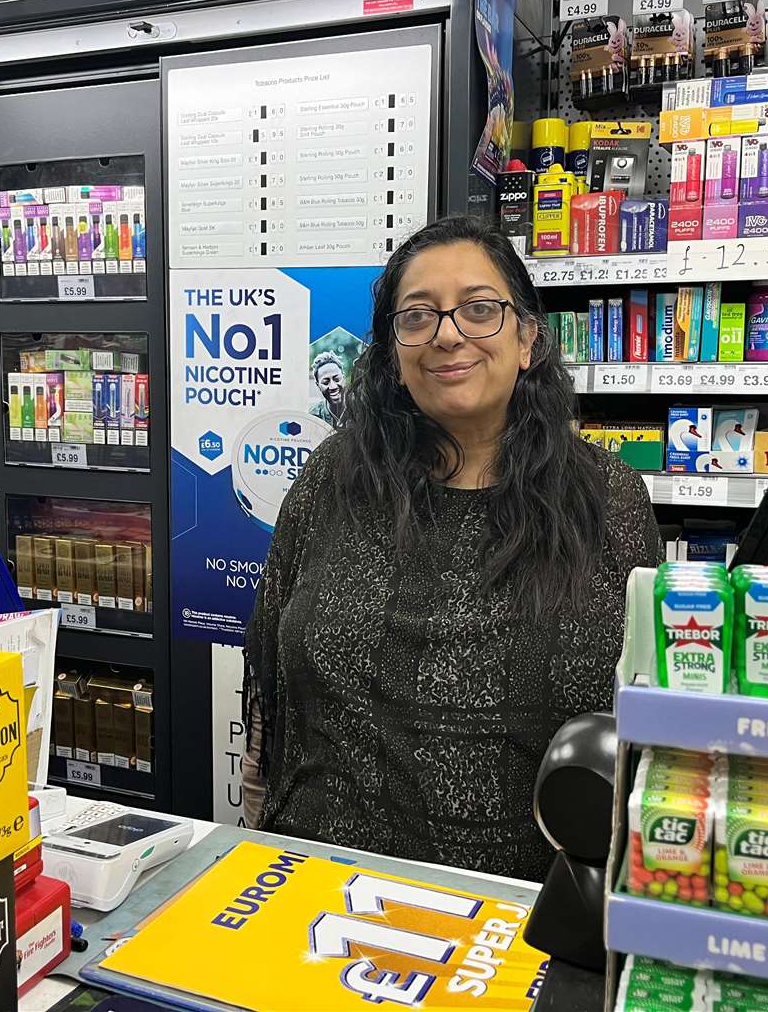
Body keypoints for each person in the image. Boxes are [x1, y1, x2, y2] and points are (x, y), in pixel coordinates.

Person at [241, 216, 660, 882]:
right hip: (320, 880)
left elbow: (645, 707)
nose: (446, 334)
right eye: (418, 316)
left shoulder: (607, 498)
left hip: (526, 912)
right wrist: (255, 842)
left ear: (528, 340)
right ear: (393, 354)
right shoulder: (330, 479)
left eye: (479, 309)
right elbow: (273, 684)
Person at [307, 351, 348, 428]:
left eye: (337, 379)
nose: (333, 386)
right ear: (318, 385)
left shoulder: (360, 409)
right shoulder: (313, 417)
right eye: (325, 382)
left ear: (344, 377)